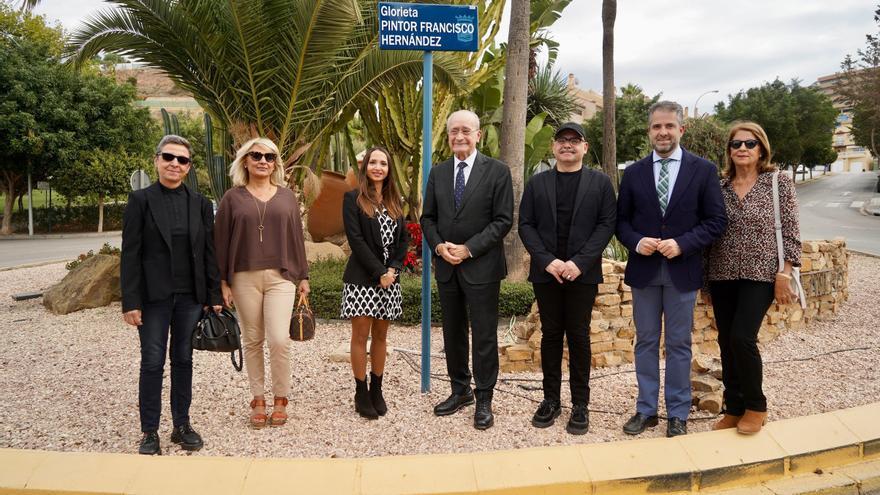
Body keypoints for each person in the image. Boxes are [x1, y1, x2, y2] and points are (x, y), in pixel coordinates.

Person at [616, 101, 727, 438]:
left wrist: (683, 243)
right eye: (656, 127)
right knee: (646, 342)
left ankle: (677, 413)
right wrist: (637, 242)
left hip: (682, 270)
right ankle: (646, 410)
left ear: (681, 129)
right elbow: (621, 222)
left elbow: (716, 220)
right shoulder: (633, 172)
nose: (662, 132)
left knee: (679, 344)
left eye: (669, 126)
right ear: (650, 131)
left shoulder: (703, 170)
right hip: (645, 272)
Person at [121, 135, 222, 455]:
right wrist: (131, 301)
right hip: (153, 299)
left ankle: (181, 425)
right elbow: (130, 254)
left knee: (183, 360)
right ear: (157, 160)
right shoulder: (140, 201)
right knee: (152, 362)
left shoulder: (201, 203)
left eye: (182, 160)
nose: (175, 164)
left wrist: (213, 293)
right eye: (169, 157)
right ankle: (149, 431)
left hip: (189, 298)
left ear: (189, 166)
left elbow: (209, 252)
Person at [518, 122, 616, 435]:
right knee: (549, 336)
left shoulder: (600, 183)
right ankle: (550, 400)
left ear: (585, 147)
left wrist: (579, 262)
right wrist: (548, 262)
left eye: (575, 141)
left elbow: (605, 225)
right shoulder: (538, 183)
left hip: (582, 274)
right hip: (547, 274)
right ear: (554, 147)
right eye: (562, 140)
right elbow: (526, 225)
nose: (568, 145)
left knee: (578, 336)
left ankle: (581, 404)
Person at [420, 109, 513, 430]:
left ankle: (484, 398)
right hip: (447, 267)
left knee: (484, 336)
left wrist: (469, 248)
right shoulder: (438, 172)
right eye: (453, 132)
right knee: (453, 333)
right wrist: (439, 246)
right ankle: (460, 390)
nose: (459, 136)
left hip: (482, 267)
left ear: (478, 135)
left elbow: (503, 220)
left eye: (465, 131)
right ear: (448, 137)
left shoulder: (498, 172)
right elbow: (427, 218)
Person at [705, 121, 800, 435]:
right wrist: (704, 282)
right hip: (721, 272)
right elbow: (708, 232)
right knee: (725, 341)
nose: (742, 149)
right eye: (736, 144)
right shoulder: (718, 186)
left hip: (761, 274)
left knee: (742, 338)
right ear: (729, 150)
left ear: (761, 149)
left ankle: (756, 406)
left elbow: (790, 231)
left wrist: (784, 273)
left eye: (749, 144)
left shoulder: (777, 182)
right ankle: (733, 407)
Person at [214, 137, 310, 429]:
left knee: (279, 339)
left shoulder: (286, 197)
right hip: (243, 277)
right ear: (245, 160)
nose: (263, 161)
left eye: (269, 157)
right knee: (252, 340)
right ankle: (258, 398)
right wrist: (222, 281)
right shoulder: (232, 197)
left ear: (276, 164)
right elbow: (220, 241)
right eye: (256, 155)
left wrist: (303, 276)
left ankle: (281, 397)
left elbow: (296, 238)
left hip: (281, 277)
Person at [340, 146, 409, 419]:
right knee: (360, 336)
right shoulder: (352, 199)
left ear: (389, 169)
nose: (378, 167)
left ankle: (377, 389)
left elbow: (402, 240)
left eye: (383, 163)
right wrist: (379, 271)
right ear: (365, 166)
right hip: (362, 279)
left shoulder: (394, 201)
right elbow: (355, 241)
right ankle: (361, 391)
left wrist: (392, 269)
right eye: (373, 162)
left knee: (381, 336)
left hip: (389, 280)